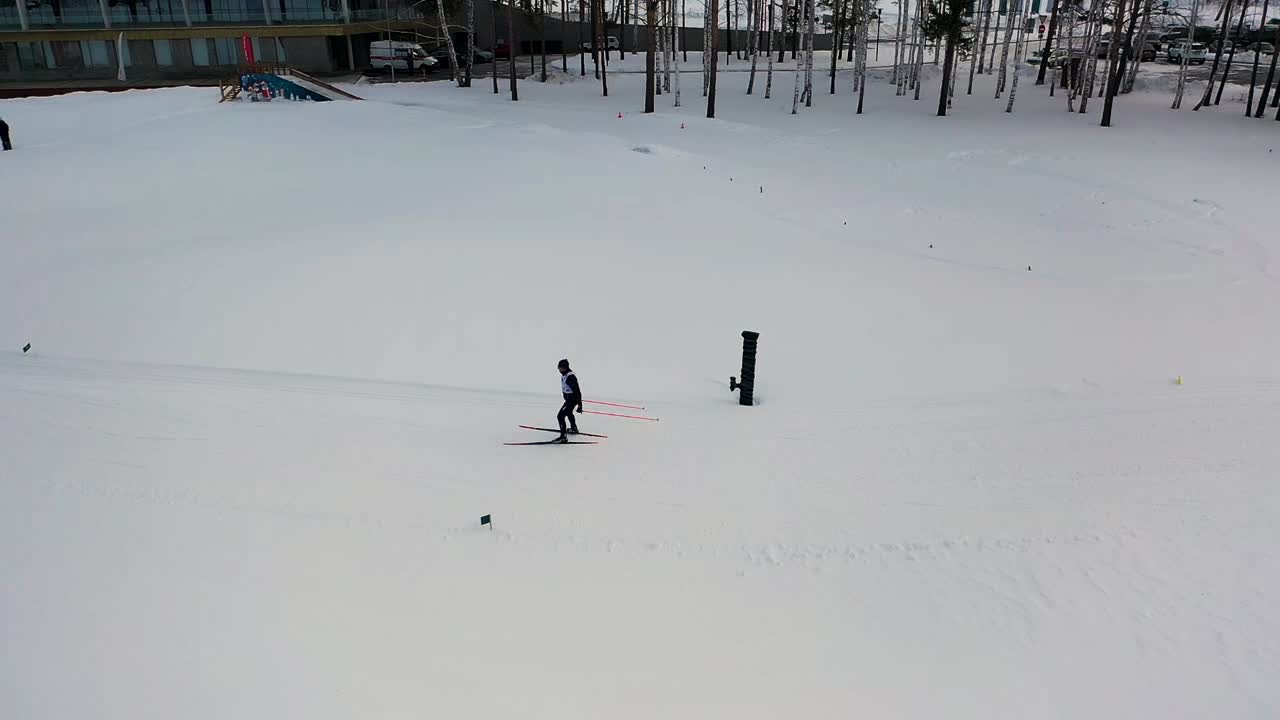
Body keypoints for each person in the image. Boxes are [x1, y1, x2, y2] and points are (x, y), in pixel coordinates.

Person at [553, 358, 582, 443]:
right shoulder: (565, 374)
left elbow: (577, 391)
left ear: (565, 368)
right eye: (558, 368)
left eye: (560, 368)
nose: (559, 370)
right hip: (569, 399)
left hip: (572, 400)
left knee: (560, 416)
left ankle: (563, 437)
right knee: (568, 412)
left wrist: (580, 405)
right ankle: (574, 428)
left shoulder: (570, 377)